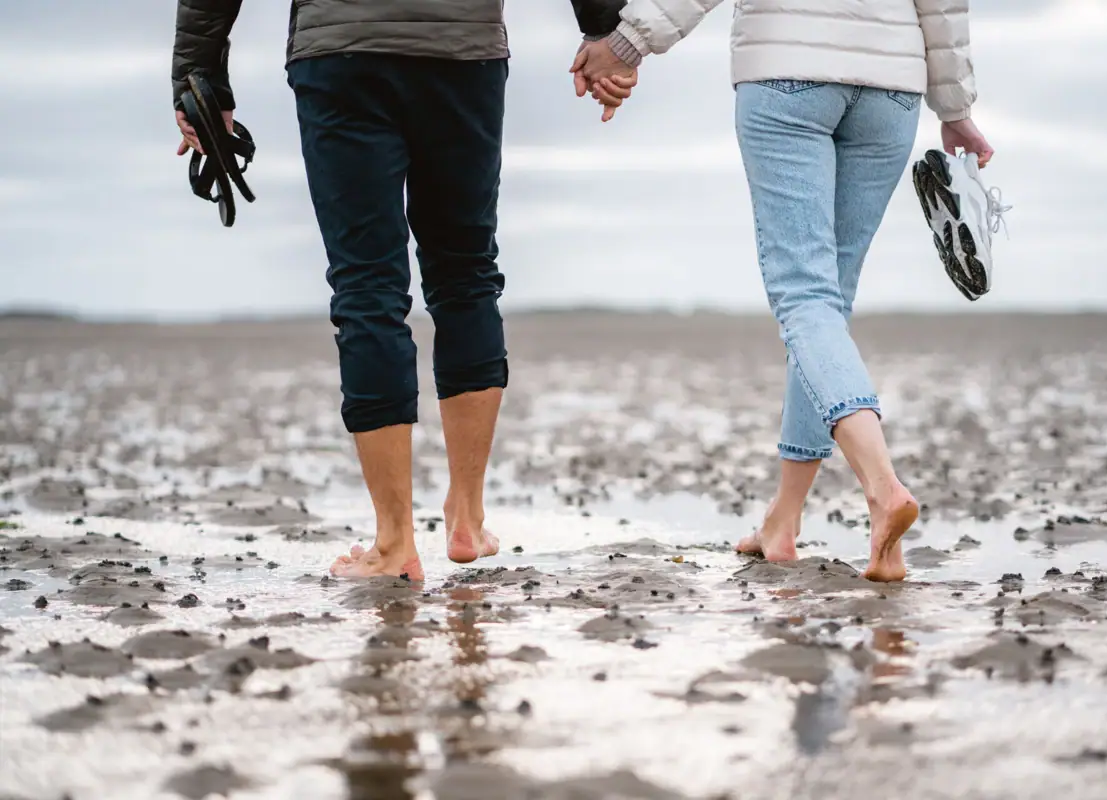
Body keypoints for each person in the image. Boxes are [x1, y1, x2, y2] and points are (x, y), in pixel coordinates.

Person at [171, 0, 637, 580]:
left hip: (342, 52)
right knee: (466, 275)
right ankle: (466, 518)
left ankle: (394, 544)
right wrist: (606, 33)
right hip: (461, 50)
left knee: (367, 289)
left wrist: (198, 73)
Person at [573, 0, 994, 581]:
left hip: (786, 69)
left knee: (807, 299)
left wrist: (622, 46)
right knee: (828, 307)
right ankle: (784, 521)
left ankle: (882, 489)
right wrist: (956, 106)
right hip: (891, 89)